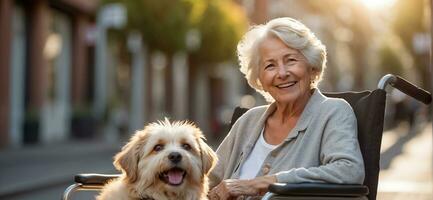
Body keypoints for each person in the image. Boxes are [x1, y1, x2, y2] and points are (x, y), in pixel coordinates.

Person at [208, 17, 365, 200]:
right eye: (270, 65)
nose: (282, 73)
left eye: (290, 60)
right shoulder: (248, 121)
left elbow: (349, 170)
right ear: (260, 79)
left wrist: (265, 182)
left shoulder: (333, 112)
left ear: (311, 67)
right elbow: (207, 178)